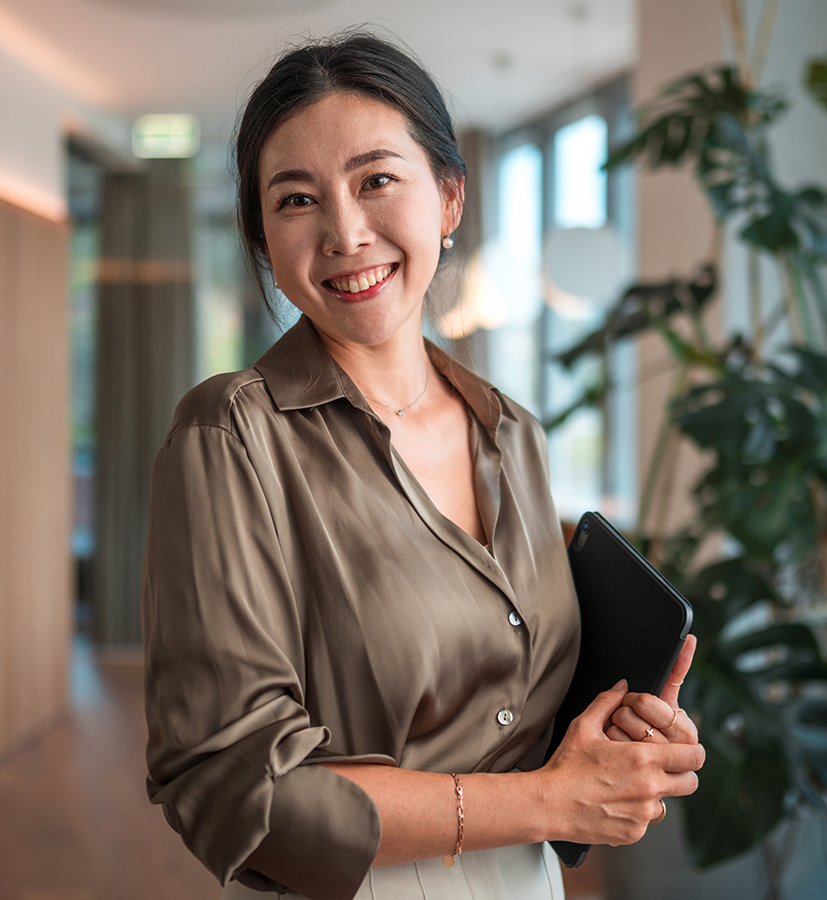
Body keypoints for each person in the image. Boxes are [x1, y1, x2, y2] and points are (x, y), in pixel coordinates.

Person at [141, 32, 704, 900]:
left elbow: (514, 713)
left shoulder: (511, 432)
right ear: (264, 242)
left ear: (447, 199)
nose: (345, 232)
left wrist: (610, 748)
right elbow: (229, 783)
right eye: (297, 200)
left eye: (376, 179)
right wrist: (544, 799)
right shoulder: (230, 435)